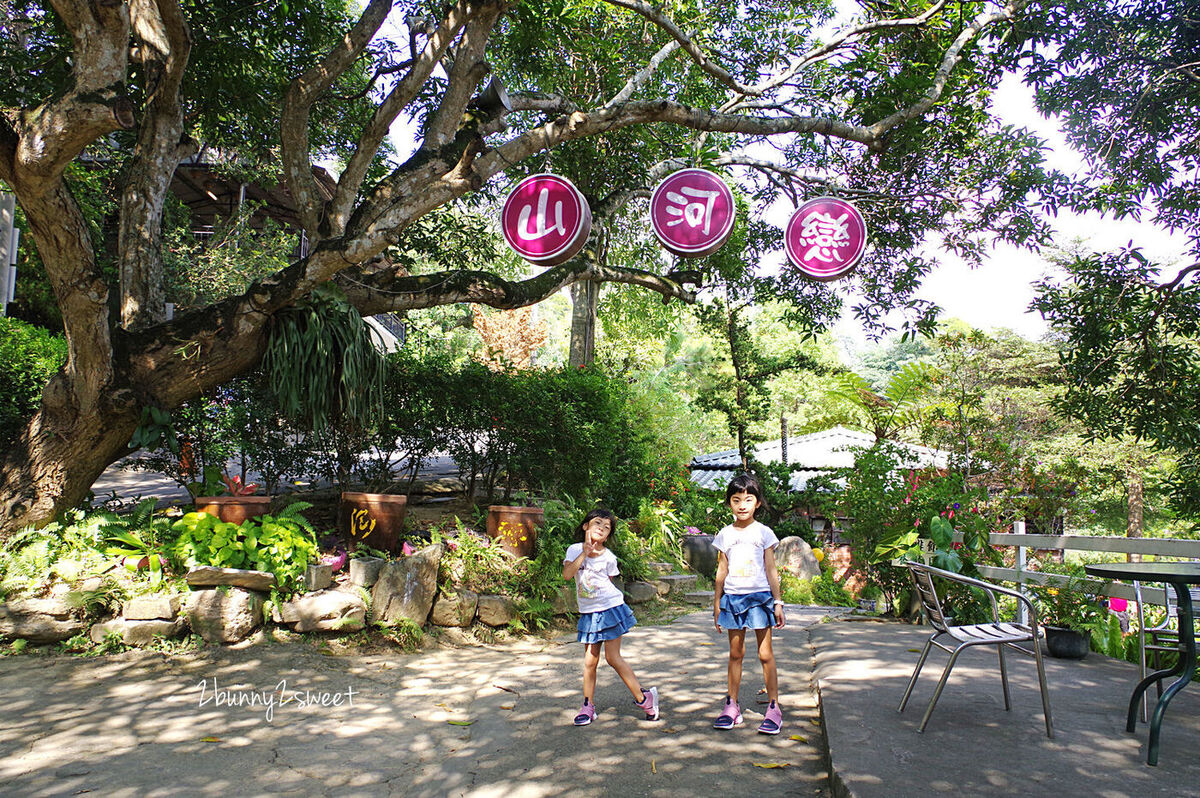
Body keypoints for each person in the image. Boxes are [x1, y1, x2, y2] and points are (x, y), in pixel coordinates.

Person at [563, 508, 660, 726]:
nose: (602, 529)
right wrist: (584, 553)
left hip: (610, 608)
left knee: (613, 658)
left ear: (608, 536)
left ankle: (645, 699)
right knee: (590, 661)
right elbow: (568, 574)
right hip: (588, 613)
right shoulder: (573, 550)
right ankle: (587, 707)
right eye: (597, 523)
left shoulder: (609, 557)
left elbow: (609, 581)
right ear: (585, 526)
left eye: (607, 528)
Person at [711, 472, 786, 734]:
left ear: (757, 503)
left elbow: (771, 569)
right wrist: (717, 602)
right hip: (732, 599)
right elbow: (722, 569)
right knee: (735, 654)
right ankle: (731, 706)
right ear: (729, 503)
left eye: (748, 499)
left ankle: (774, 708)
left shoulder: (764, 533)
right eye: (736, 499)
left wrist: (778, 602)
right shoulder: (725, 534)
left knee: (765, 654)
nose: (742, 505)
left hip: (760, 599)